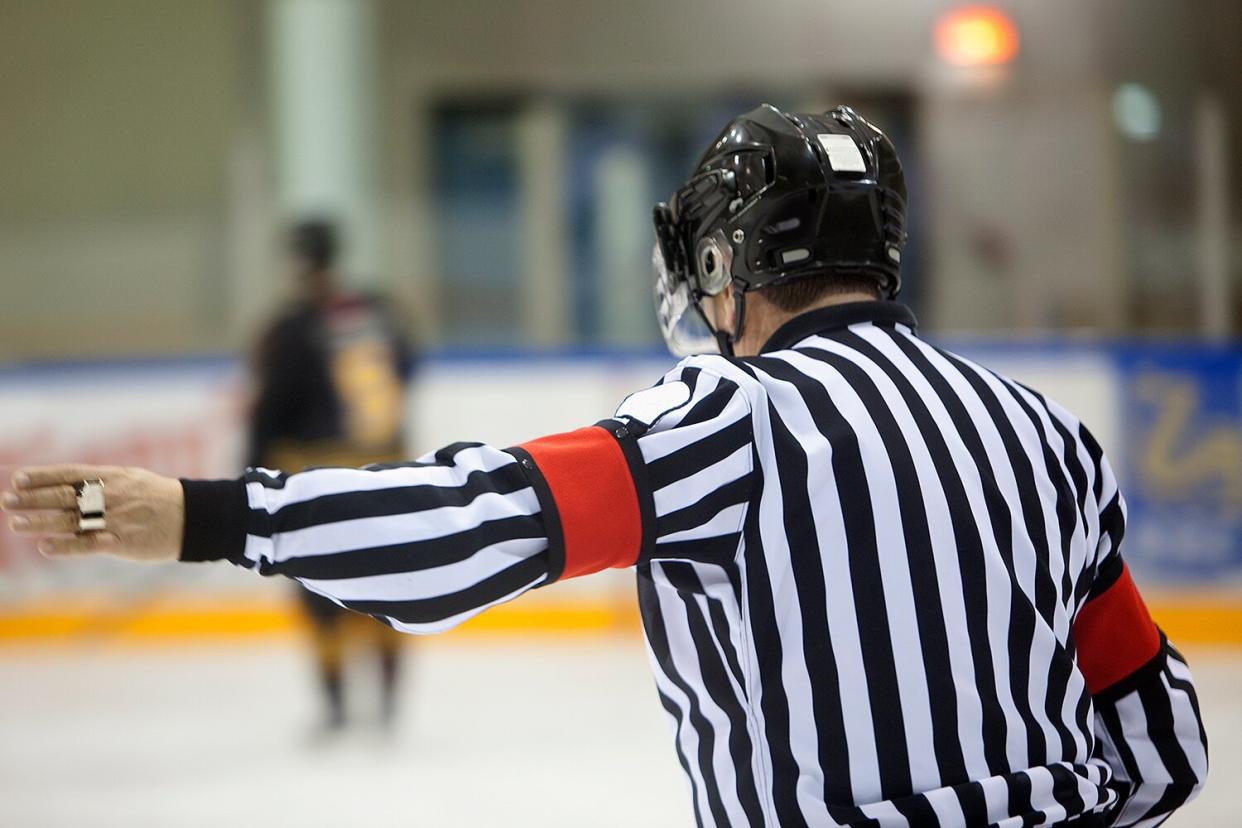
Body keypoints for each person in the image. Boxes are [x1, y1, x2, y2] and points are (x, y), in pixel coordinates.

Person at [4, 105, 1206, 827]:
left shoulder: (728, 419)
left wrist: (209, 516)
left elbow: (475, 524)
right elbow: (1163, 747)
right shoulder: (1046, 435)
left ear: (730, 263)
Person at [250, 218, 415, 732]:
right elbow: (408, 368)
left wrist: (248, 478)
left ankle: (337, 707)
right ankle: (388, 705)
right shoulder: (380, 311)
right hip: (386, 468)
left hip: (317, 473)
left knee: (319, 590)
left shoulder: (288, 328)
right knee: (390, 585)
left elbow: (270, 410)